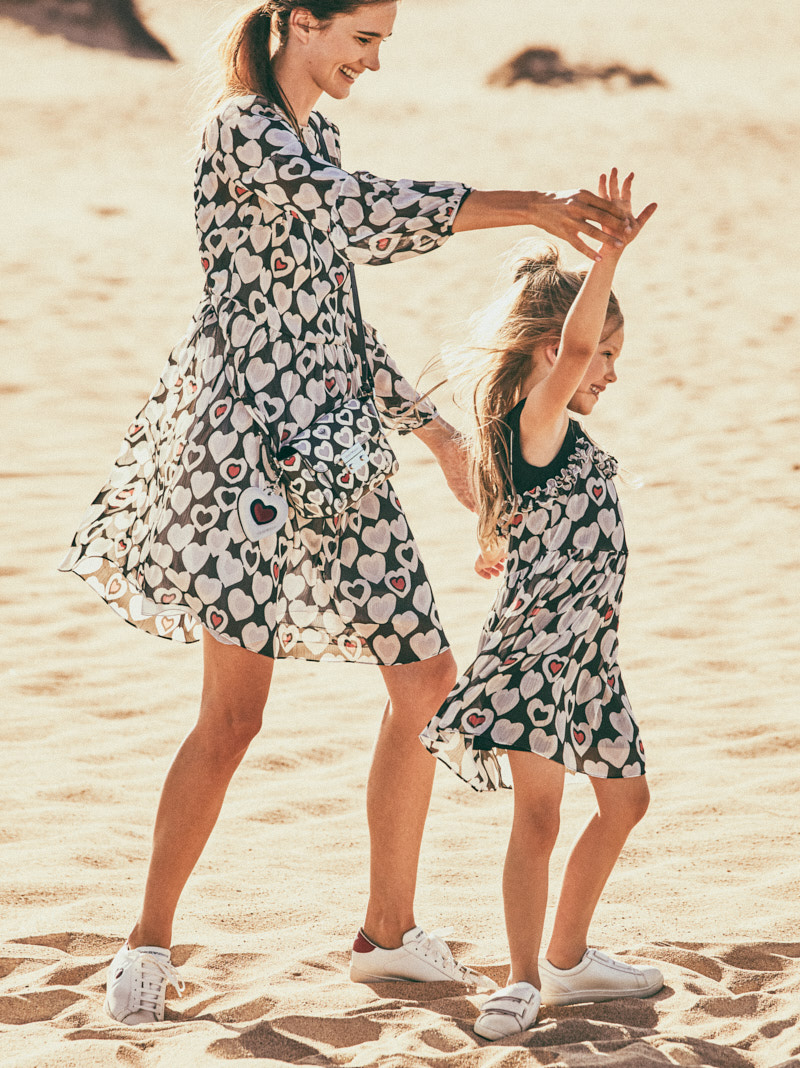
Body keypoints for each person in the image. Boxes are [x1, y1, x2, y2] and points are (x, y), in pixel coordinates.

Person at [58, 0, 637, 1025]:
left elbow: (339, 324)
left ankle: (386, 933)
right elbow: (356, 213)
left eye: (382, 43)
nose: (371, 62)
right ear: (299, 22)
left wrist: (437, 435)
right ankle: (145, 942)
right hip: (241, 454)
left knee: (426, 680)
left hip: (340, 451)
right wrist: (527, 207)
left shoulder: (318, 133)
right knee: (234, 716)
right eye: (361, 39)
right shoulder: (241, 129)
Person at [421, 171, 661, 1039]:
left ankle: (568, 957)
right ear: (555, 350)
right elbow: (574, 348)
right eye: (604, 354)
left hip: (590, 660)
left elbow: (528, 519)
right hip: (536, 660)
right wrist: (609, 260)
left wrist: (498, 542)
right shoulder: (538, 420)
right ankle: (523, 979)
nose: (610, 371)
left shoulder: (543, 435)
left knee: (625, 801)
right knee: (539, 815)